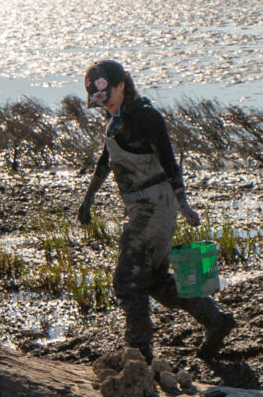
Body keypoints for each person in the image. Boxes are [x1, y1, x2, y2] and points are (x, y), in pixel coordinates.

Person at [76, 60, 234, 363]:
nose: (104, 103)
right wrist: (87, 200)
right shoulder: (115, 120)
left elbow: (169, 162)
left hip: (156, 205)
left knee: (127, 280)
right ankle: (215, 320)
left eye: (107, 95)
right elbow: (105, 162)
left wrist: (184, 204)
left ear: (122, 84)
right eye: (99, 100)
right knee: (157, 281)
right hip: (142, 206)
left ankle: (139, 353)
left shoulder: (147, 117)